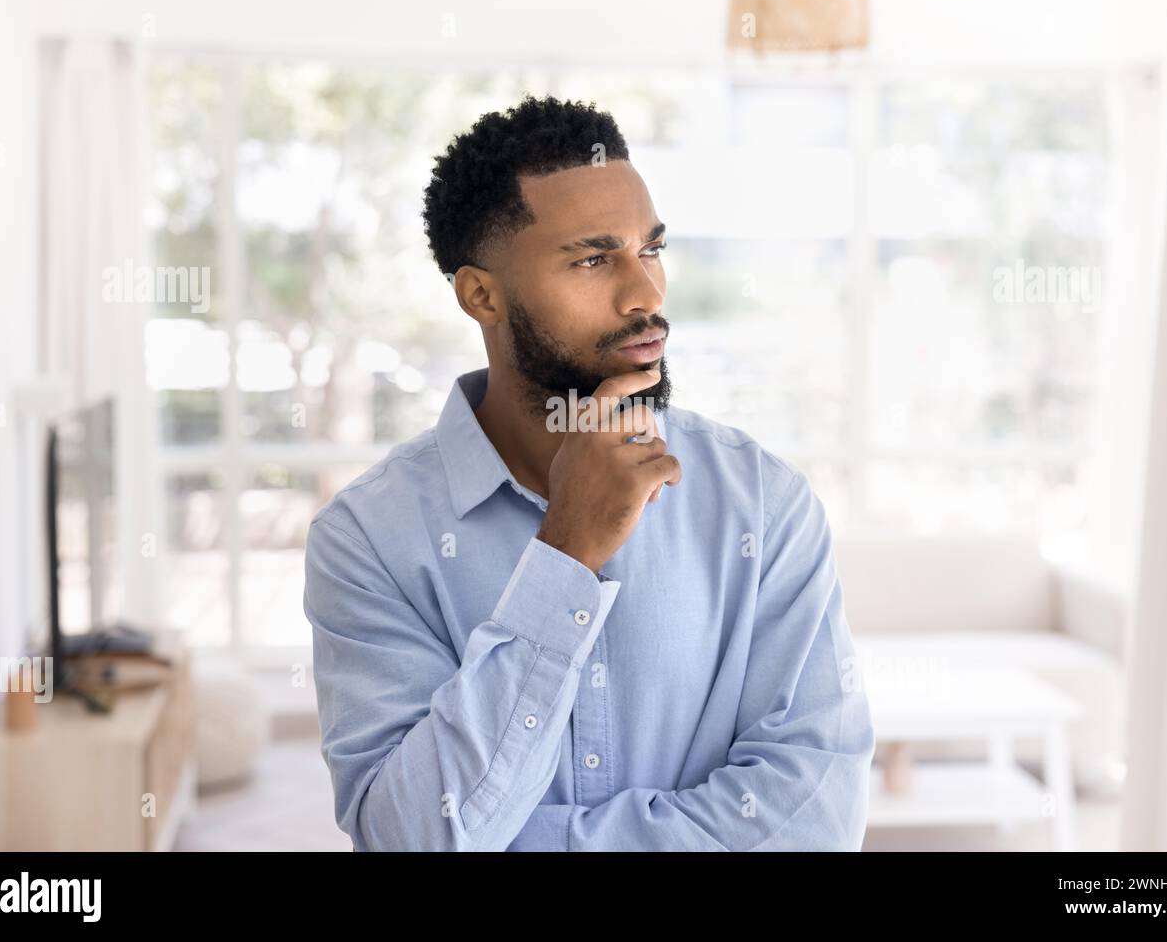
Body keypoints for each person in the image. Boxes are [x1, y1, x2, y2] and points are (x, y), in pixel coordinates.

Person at [304, 94, 875, 851]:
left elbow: (816, 814)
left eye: (652, 250)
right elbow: (411, 836)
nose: (646, 296)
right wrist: (564, 555)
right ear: (482, 294)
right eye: (593, 258)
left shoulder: (763, 504)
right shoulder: (369, 538)